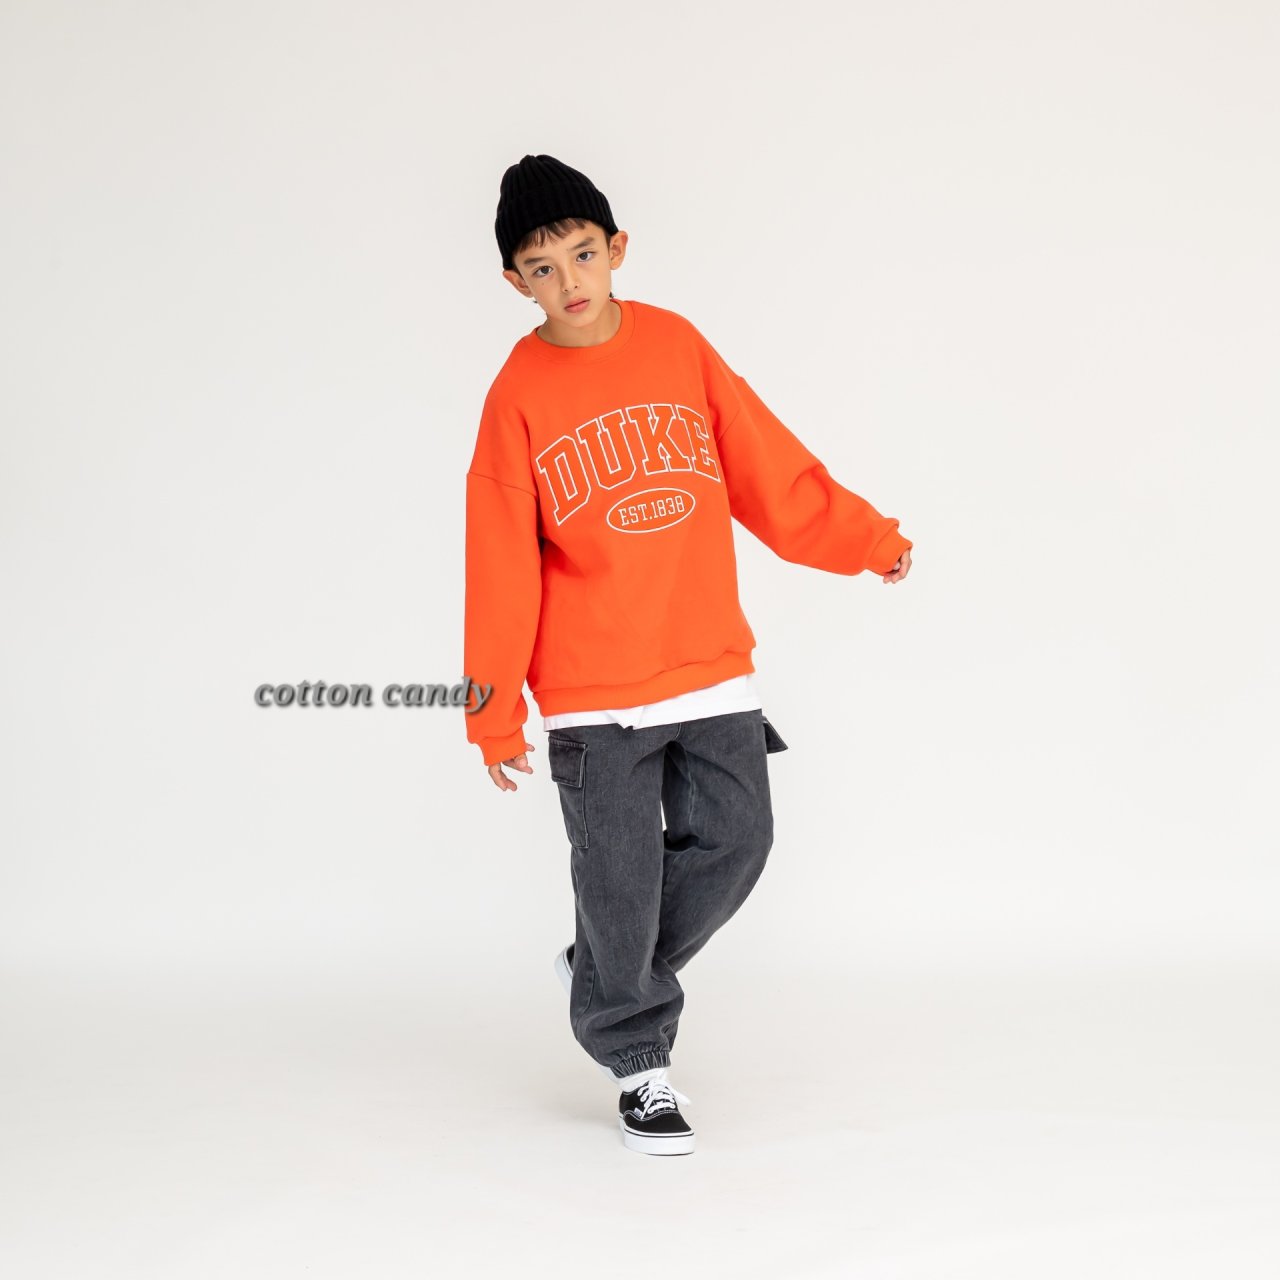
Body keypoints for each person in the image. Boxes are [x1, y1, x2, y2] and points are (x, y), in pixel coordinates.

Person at [463, 154, 913, 1156]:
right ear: (515, 282)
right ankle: (638, 1059)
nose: (570, 281)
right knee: (619, 879)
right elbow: (497, 563)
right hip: (591, 694)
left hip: (708, 663)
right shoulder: (516, 396)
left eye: (583, 254)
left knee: (739, 840)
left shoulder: (677, 346)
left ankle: (604, 965)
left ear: (617, 249)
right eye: (542, 267)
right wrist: (492, 708)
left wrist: (864, 540)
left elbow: (766, 466)